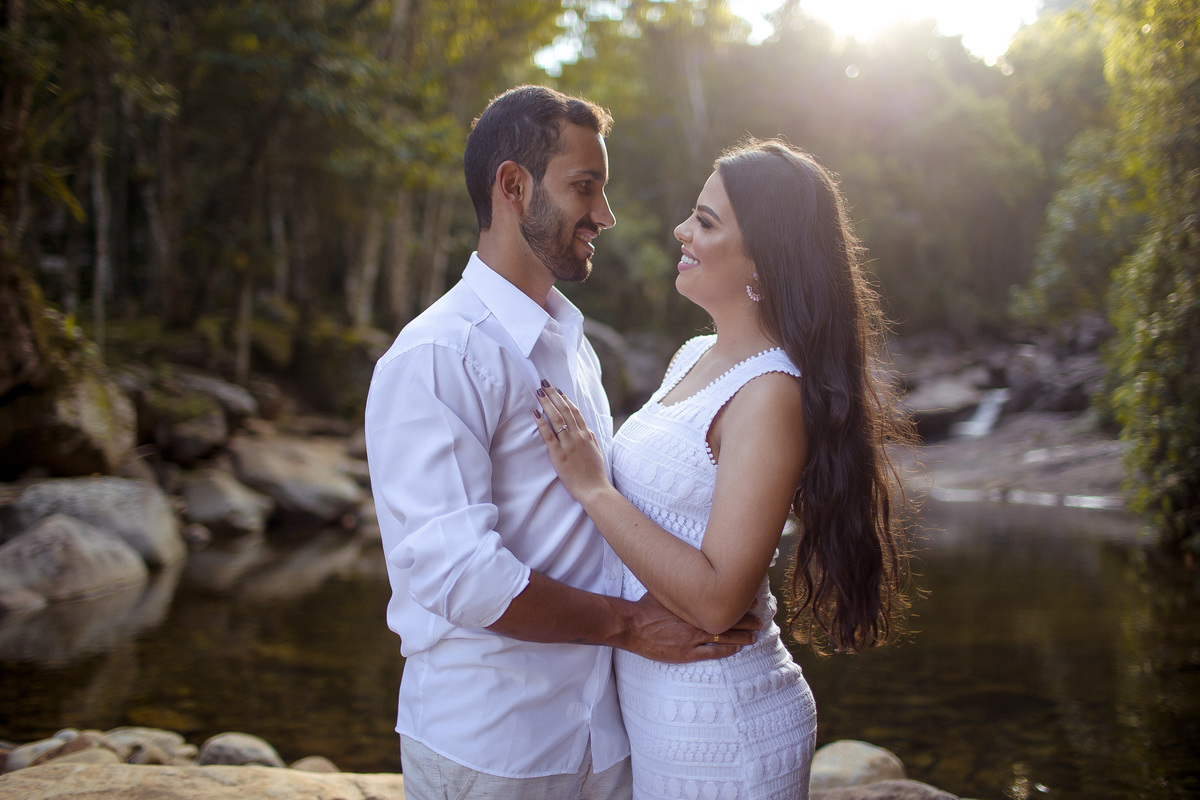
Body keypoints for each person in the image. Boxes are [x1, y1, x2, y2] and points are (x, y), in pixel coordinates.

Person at [364, 85, 760, 800]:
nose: (605, 215)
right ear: (514, 187)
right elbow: (460, 575)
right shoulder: (437, 355)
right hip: (495, 750)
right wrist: (630, 627)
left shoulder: (573, 344)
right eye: (585, 187)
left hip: (606, 739)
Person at [533, 138, 914, 800]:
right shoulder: (695, 354)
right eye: (693, 213)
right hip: (663, 710)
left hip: (724, 723)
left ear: (764, 260)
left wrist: (592, 488)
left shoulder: (770, 396)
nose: (681, 230)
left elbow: (717, 601)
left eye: (706, 222)